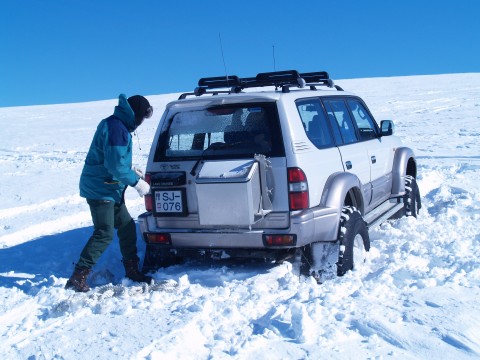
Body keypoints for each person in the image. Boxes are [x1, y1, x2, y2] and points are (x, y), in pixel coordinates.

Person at [65, 94, 153, 292]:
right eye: (142, 118)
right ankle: (78, 276)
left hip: (109, 188)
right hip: (101, 190)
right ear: (136, 114)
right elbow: (114, 165)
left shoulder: (116, 124)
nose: (141, 123)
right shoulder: (117, 128)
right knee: (104, 232)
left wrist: (131, 172)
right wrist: (136, 182)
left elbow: (116, 161)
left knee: (127, 227)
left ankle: (132, 270)